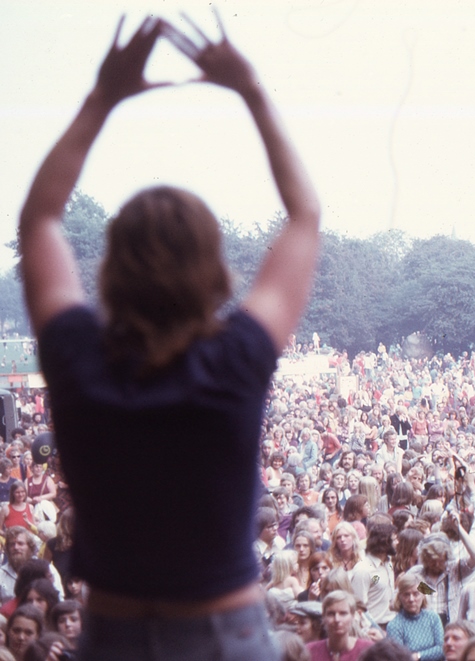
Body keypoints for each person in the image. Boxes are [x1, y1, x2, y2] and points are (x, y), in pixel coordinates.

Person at [22, 11, 320, 660]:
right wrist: (251, 91)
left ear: (110, 266)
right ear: (214, 271)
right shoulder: (236, 359)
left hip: (111, 633)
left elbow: (40, 218)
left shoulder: (78, 356)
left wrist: (102, 99)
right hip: (225, 634)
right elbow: (304, 215)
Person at [387, 572, 445, 661]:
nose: (411, 599)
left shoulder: (433, 618)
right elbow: (399, 658)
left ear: (423, 595)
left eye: (416, 594)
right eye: (406, 594)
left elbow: (442, 649)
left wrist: (418, 656)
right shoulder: (394, 625)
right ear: (400, 597)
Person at [307, 591, 373, 661]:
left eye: (343, 613)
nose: (337, 619)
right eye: (331, 614)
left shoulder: (368, 651)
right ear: (323, 617)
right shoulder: (310, 651)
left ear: (353, 616)